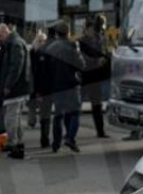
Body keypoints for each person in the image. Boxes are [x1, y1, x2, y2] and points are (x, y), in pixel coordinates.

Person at [45, 21, 86, 153]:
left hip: (56, 86)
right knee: (75, 112)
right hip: (71, 84)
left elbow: (47, 70)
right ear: (68, 33)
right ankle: (70, 138)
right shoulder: (72, 45)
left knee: (58, 115)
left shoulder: (50, 48)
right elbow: (81, 64)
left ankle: (55, 144)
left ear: (57, 34)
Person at [0, 23, 30, 160]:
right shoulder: (15, 42)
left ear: (5, 32)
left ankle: (13, 143)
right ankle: (18, 143)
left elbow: (15, 66)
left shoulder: (14, 44)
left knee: (10, 117)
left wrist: (8, 85)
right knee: (16, 117)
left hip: (15, 88)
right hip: (20, 87)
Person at [79, 16, 111, 138]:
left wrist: (105, 57)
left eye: (93, 29)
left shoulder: (100, 39)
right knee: (78, 103)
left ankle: (100, 131)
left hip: (96, 77)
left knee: (97, 105)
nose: (92, 31)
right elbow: (81, 58)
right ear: (86, 30)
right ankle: (69, 133)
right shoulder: (81, 42)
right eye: (90, 29)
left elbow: (103, 52)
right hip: (85, 76)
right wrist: (96, 61)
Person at [28, 30, 48, 132]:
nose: (42, 43)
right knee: (32, 105)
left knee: (41, 105)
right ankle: (32, 121)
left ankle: (40, 121)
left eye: (43, 41)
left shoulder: (46, 54)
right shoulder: (31, 53)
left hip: (42, 84)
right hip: (32, 82)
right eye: (40, 41)